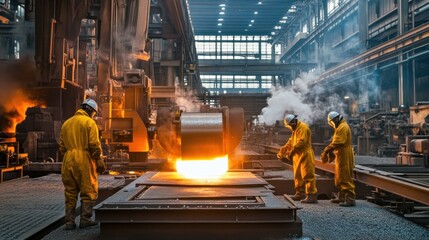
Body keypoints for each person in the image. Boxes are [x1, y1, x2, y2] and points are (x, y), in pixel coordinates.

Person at [59, 98, 106, 230]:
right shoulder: (89, 123)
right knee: (88, 189)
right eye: (94, 113)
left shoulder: (66, 123)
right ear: (90, 110)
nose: (93, 116)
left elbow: (62, 146)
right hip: (84, 159)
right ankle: (85, 220)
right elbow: (94, 144)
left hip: (68, 159)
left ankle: (69, 222)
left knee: (70, 191)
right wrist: (98, 160)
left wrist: (69, 155)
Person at [277, 114, 318, 204]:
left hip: (305, 153)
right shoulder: (295, 130)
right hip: (298, 155)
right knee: (298, 175)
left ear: (293, 122)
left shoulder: (302, 128)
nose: (290, 127)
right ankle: (300, 193)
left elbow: (301, 142)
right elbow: (290, 142)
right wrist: (283, 150)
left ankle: (311, 195)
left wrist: (291, 152)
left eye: (290, 125)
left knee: (307, 175)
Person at [320, 111, 356, 207]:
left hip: (344, 153)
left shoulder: (343, 127)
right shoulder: (340, 126)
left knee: (344, 176)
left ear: (335, 119)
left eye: (332, 122)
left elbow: (339, 142)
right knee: (339, 176)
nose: (332, 124)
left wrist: (327, 149)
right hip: (340, 153)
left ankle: (350, 199)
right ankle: (342, 197)